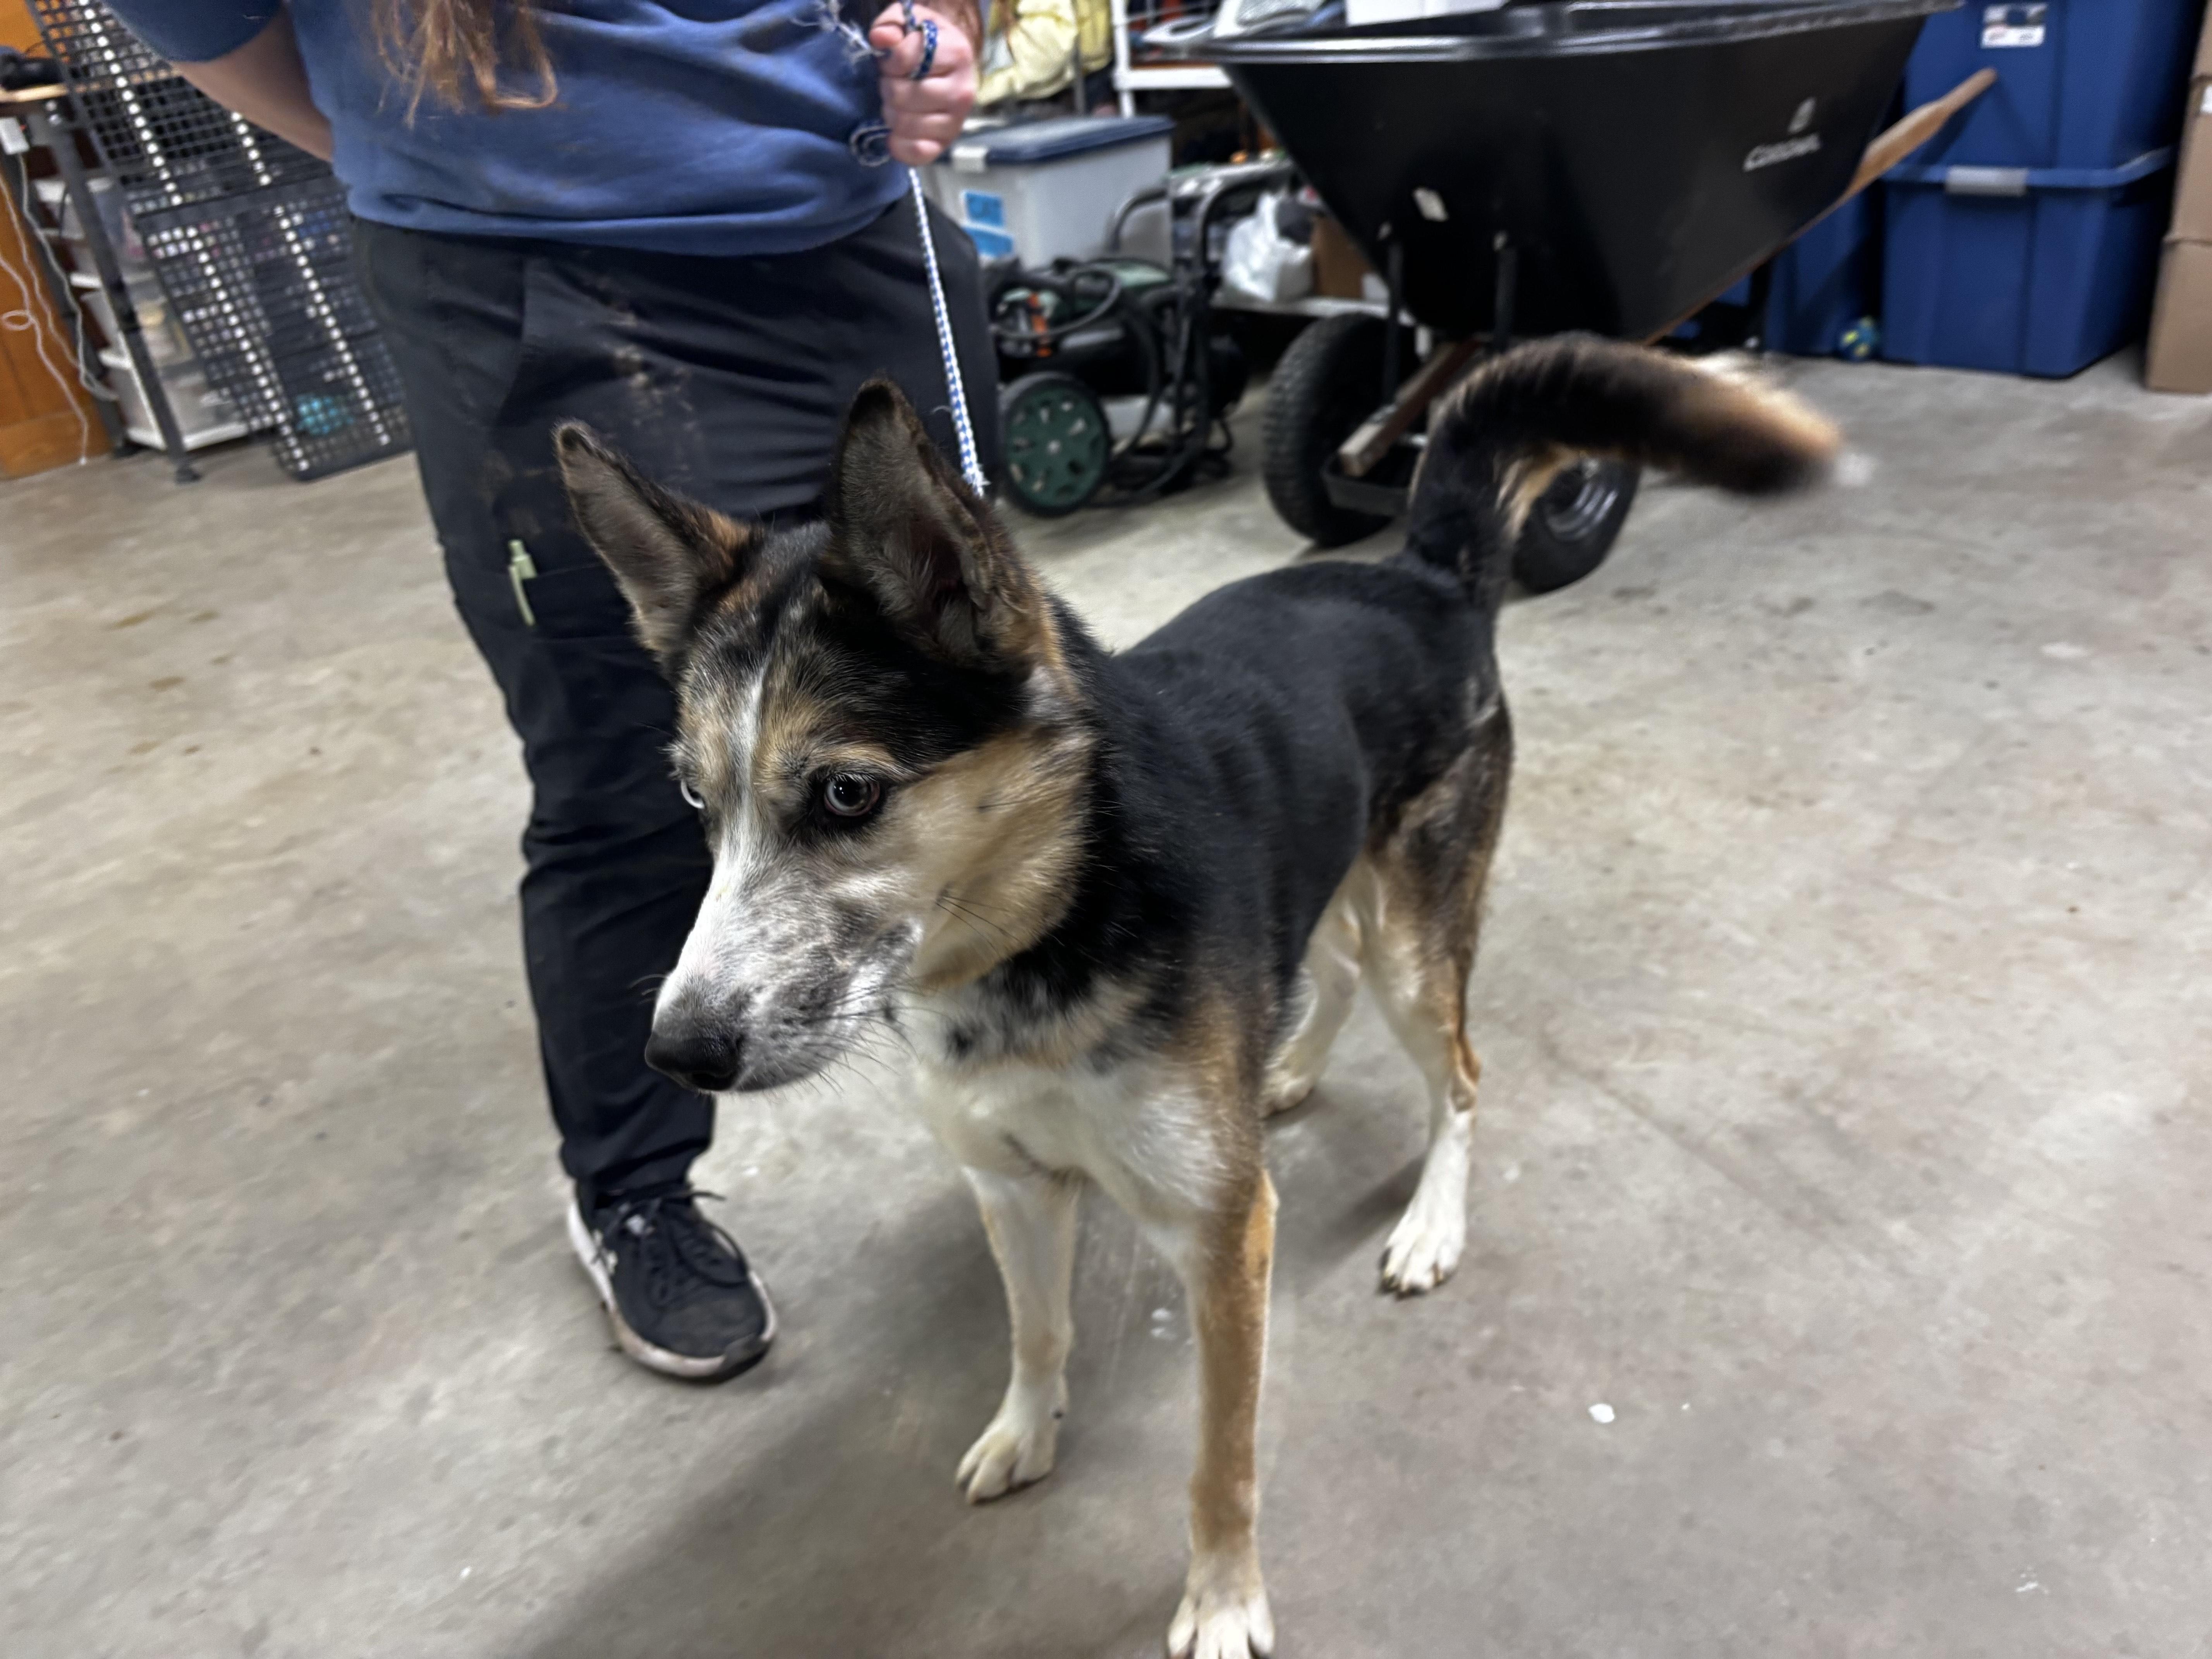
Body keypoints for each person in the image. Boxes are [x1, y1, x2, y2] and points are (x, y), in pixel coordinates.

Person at [106, 0, 999, 1381]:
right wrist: (465, 150)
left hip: (859, 232)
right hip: (543, 278)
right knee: (630, 783)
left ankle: (1036, 1076)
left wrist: (946, 24)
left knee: (966, 725)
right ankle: (632, 1189)